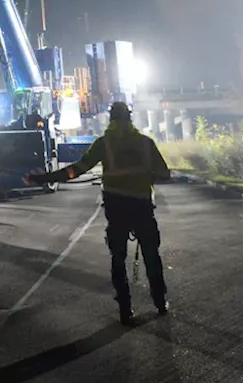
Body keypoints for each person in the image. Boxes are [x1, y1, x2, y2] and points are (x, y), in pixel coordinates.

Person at [26, 101, 172, 325]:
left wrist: (44, 178)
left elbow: (76, 170)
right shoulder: (145, 143)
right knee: (151, 256)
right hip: (142, 208)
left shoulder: (104, 144)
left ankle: (125, 309)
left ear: (111, 119)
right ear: (130, 119)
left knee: (118, 259)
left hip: (116, 209)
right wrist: (147, 177)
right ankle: (160, 303)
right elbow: (164, 173)